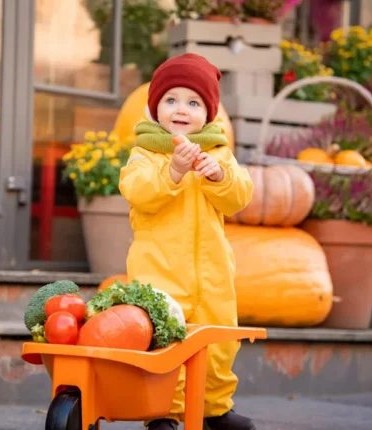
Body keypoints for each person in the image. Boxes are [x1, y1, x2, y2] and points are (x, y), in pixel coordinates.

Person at [118, 53, 255, 430]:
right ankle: (163, 411)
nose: (182, 109)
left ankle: (214, 407)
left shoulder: (217, 152)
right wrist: (174, 170)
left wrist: (220, 177)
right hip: (160, 272)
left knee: (218, 341)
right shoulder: (145, 152)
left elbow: (240, 196)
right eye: (171, 100)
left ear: (208, 115)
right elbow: (137, 191)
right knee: (166, 343)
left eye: (194, 102)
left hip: (212, 273)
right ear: (155, 106)